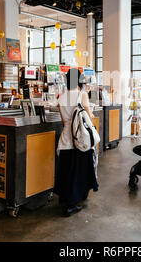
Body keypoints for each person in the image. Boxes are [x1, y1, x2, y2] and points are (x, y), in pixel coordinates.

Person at [54, 68, 99, 217]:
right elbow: (87, 117)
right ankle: (72, 204)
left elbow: (63, 121)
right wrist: (91, 114)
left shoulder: (61, 97)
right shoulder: (82, 94)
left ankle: (65, 198)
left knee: (66, 170)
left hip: (66, 138)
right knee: (79, 171)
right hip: (80, 139)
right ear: (79, 80)